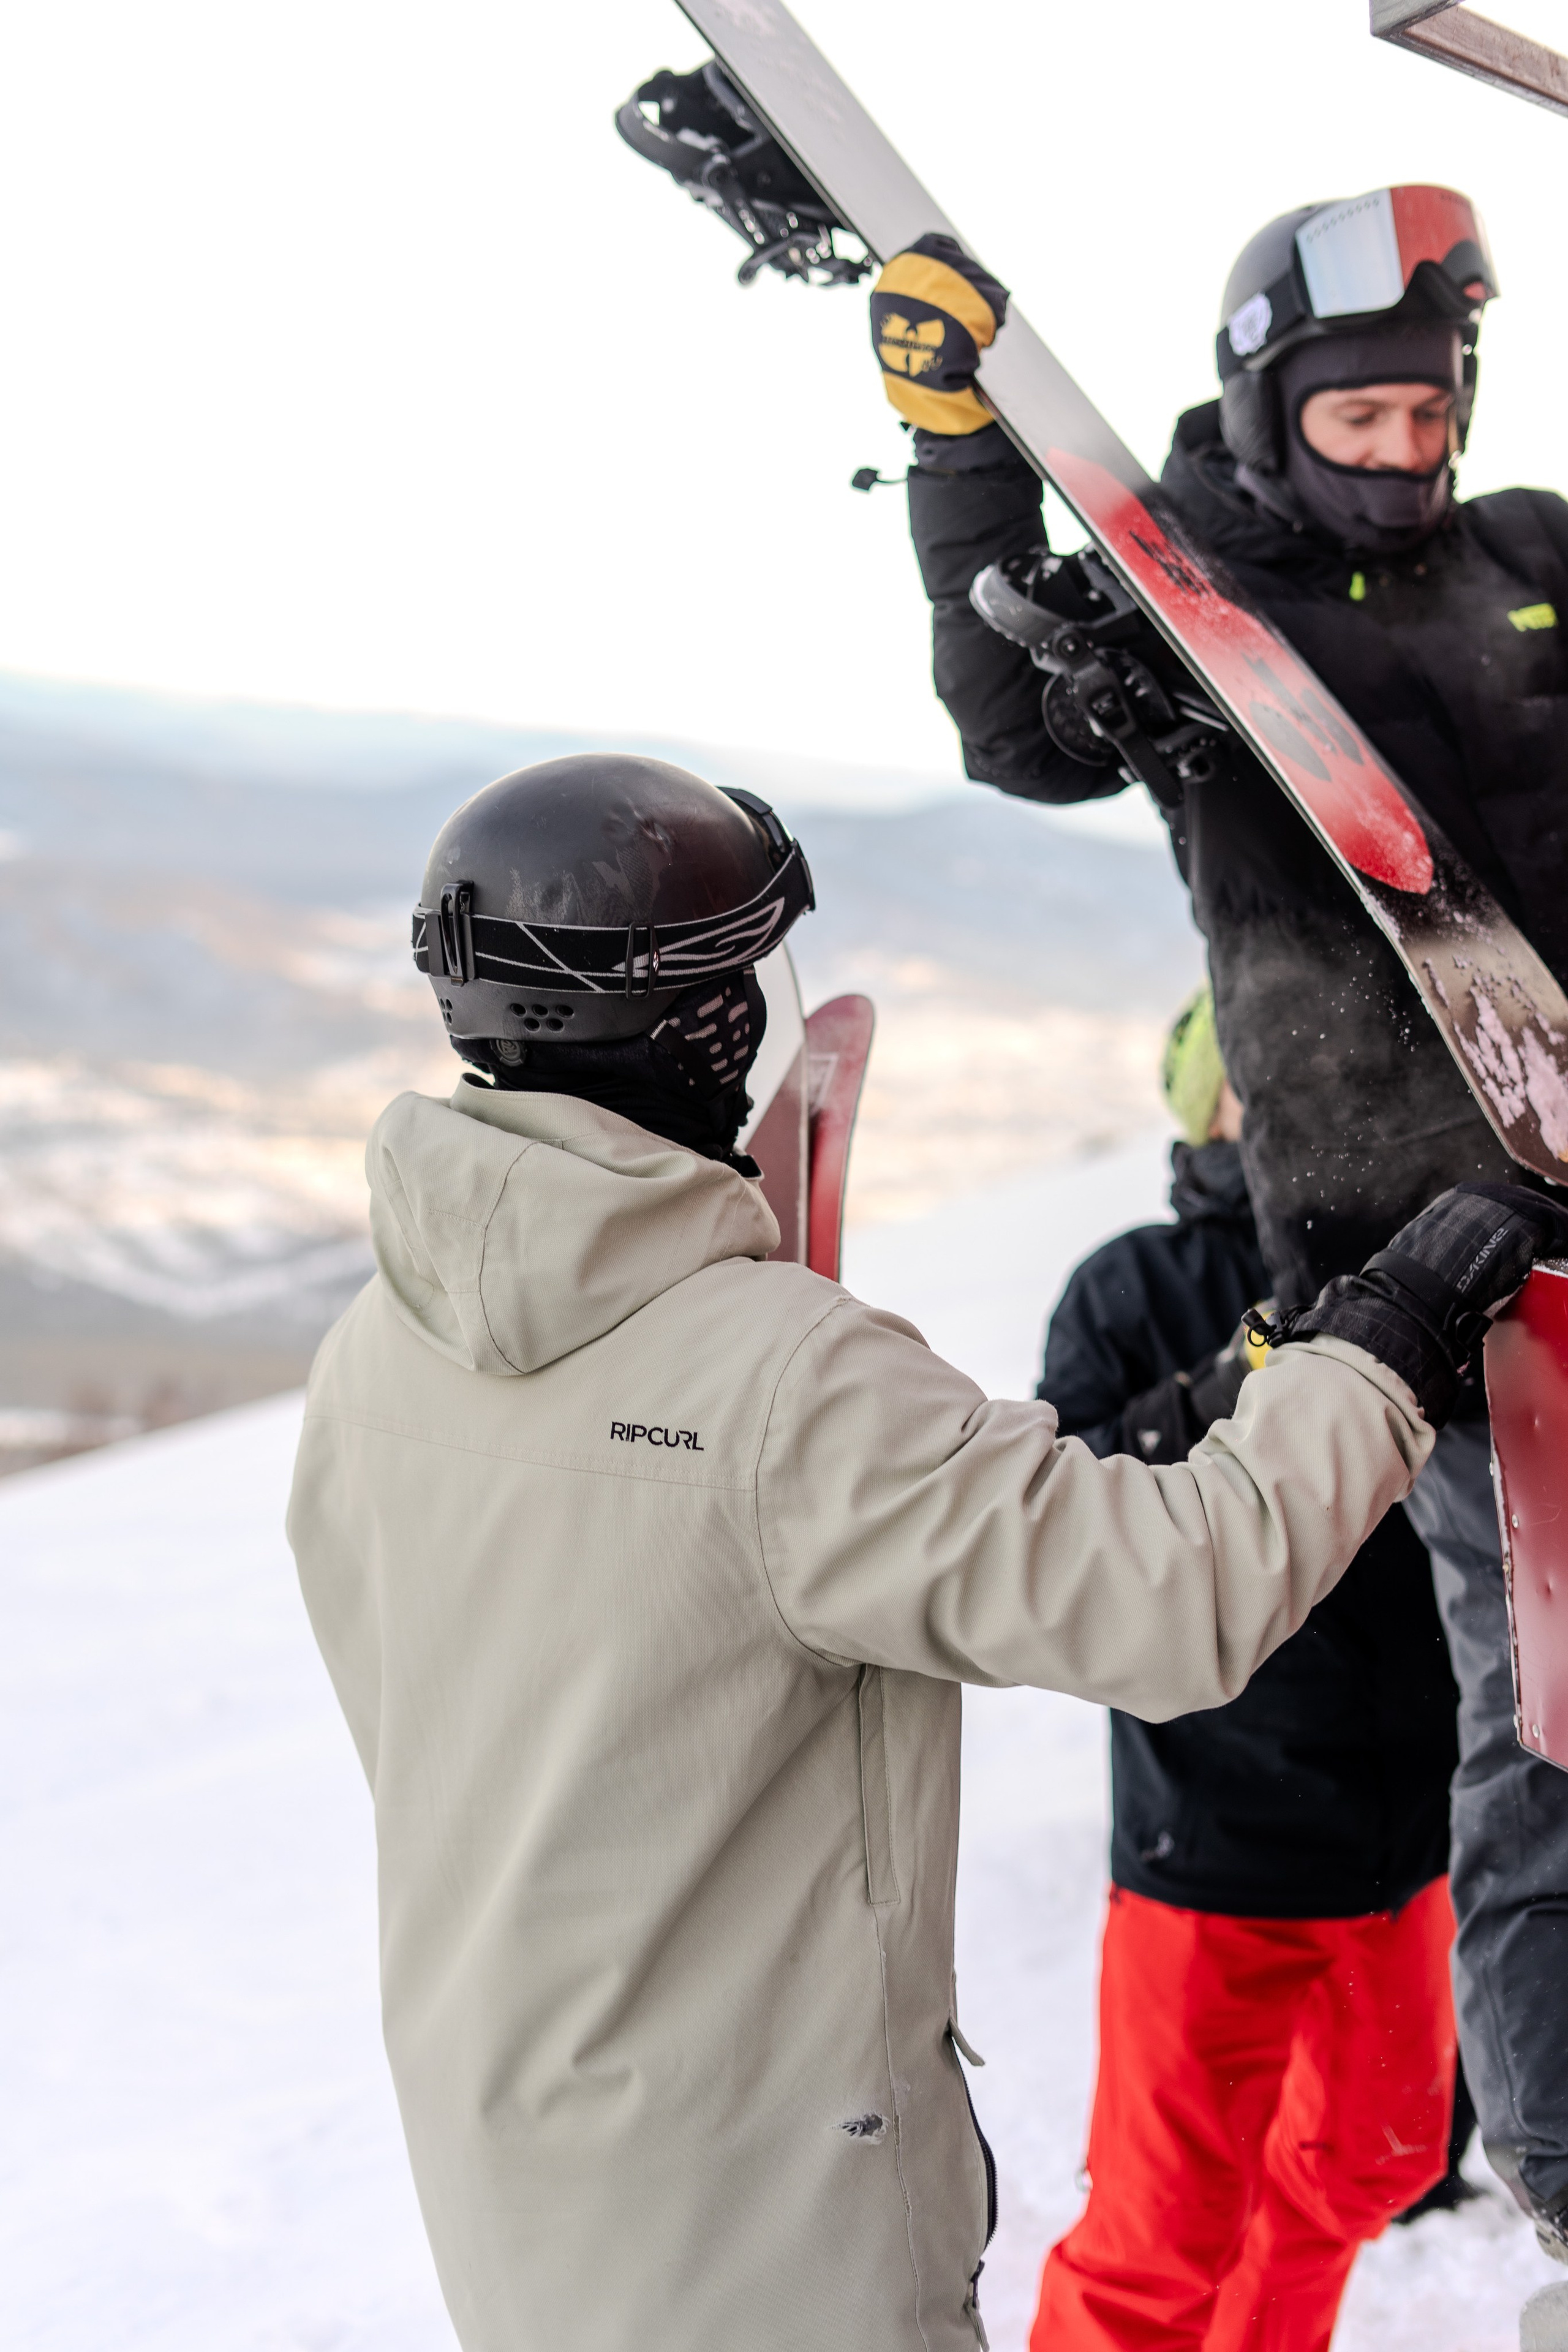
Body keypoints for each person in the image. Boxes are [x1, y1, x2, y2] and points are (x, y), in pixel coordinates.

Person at [285, 752, 1560, 2352]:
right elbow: (1177, 1592)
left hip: (515, 2165)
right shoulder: (781, 1388)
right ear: (708, 1021)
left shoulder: (379, 1354)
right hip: (772, 2229)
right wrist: (1386, 1336)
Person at [868, 190, 1568, 2297]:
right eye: (1351, 416)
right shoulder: (1196, 587)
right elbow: (1014, 727)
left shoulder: (1533, 556)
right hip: (1429, 1260)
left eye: (1418, 414)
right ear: (1267, 408)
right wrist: (963, 451)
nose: (1396, 451)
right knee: (1549, 1715)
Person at [1032, 986, 1471, 2350]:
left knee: (1376, 2159)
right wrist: (1229, 1382)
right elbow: (1059, 1516)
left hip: (1403, 1834)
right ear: (1212, 1099)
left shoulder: (1420, 1256)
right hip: (1210, 1835)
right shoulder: (1131, 1286)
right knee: (1159, 2235)